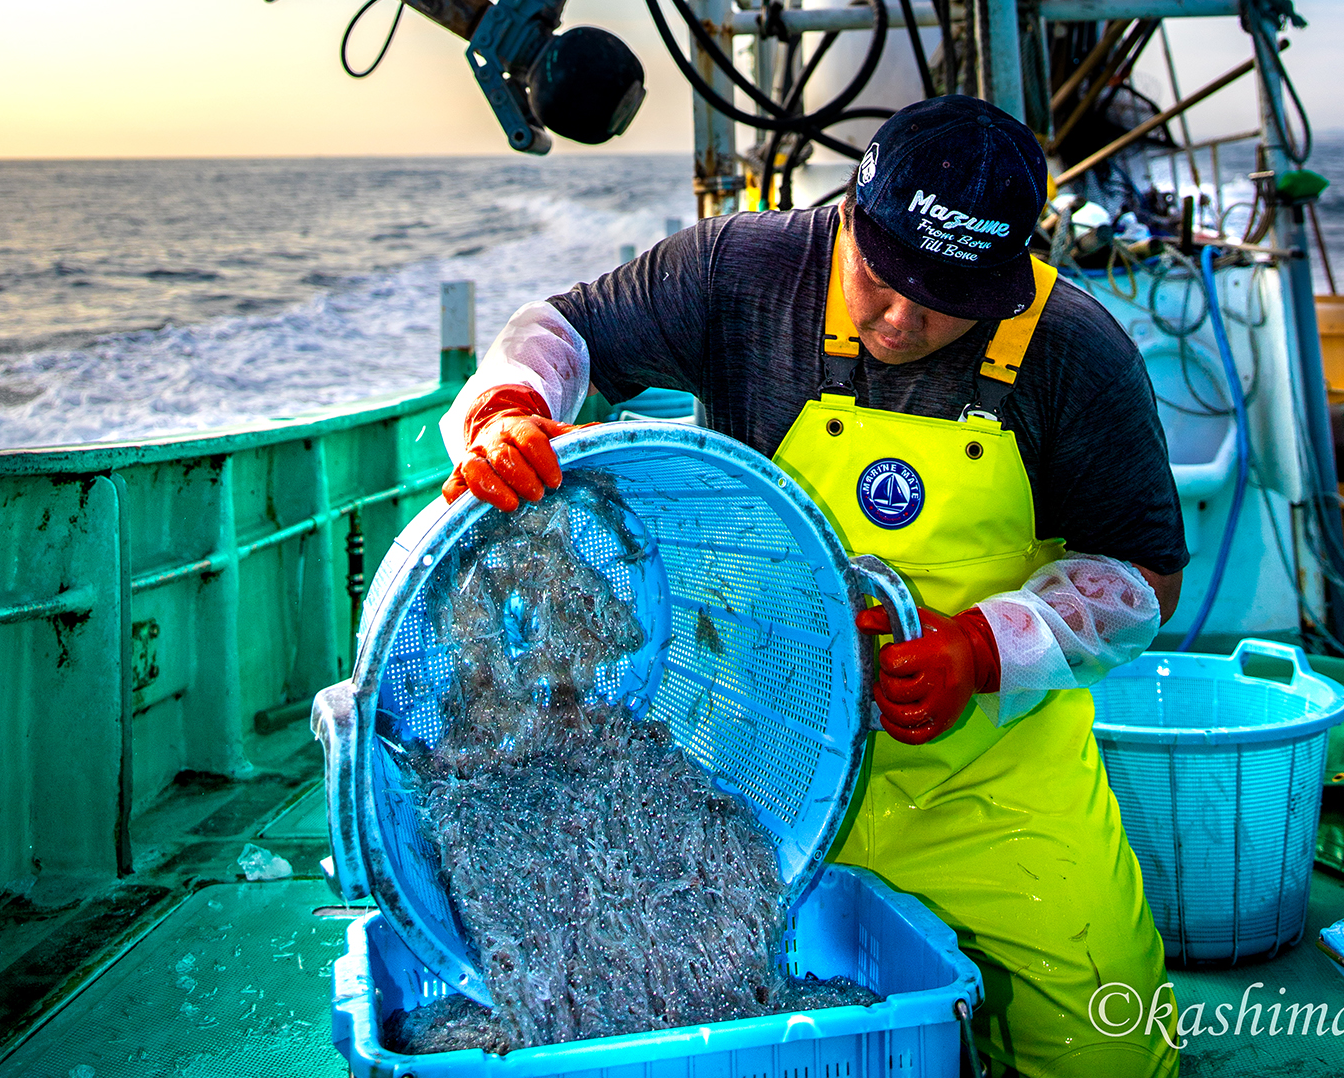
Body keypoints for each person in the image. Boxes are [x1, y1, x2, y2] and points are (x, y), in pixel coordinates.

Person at [439, 95, 1186, 1077]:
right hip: (749, 766)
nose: (901, 317)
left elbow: (1146, 574)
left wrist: (985, 646)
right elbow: (561, 333)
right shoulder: (741, 267)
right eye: (884, 277)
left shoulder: (1073, 348)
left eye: (947, 297)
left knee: (1114, 1050)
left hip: (985, 781)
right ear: (847, 217)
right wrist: (507, 412)